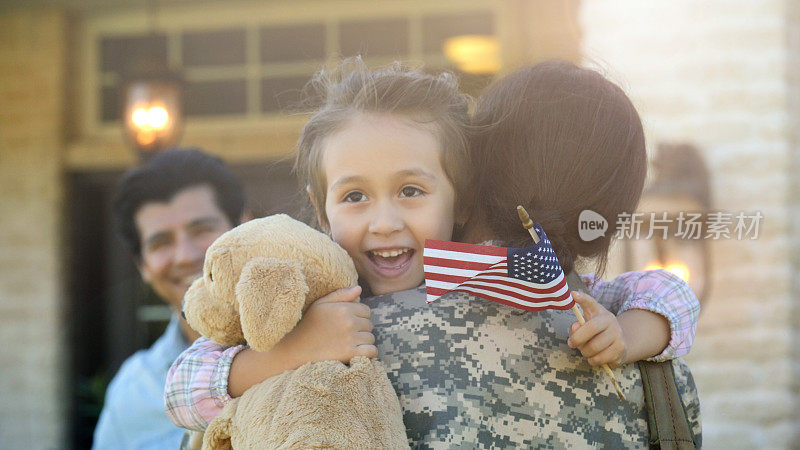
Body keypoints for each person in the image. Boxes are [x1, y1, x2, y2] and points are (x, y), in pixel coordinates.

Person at [164, 59, 700, 447]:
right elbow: (181, 389)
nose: (385, 221)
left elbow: (663, 290)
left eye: (412, 191)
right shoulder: (304, 322)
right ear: (320, 211)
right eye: (354, 196)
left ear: (463, 198)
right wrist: (292, 351)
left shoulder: (548, 295)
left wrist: (631, 332)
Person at [93, 148, 246, 449]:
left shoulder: (315, 340)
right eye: (161, 242)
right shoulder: (132, 392)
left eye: (201, 229)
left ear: (243, 226)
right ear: (143, 267)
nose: (185, 256)